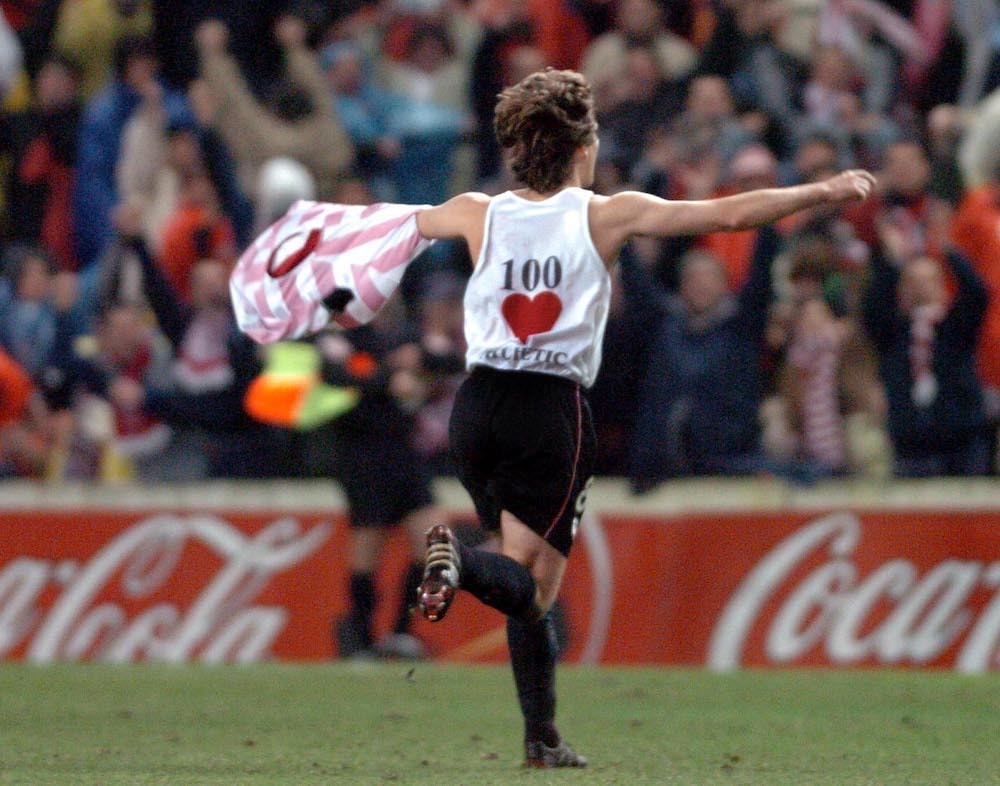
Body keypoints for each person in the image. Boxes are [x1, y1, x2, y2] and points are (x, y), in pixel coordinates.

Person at [411, 68, 875, 768]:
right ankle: (461, 567)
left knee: (522, 573)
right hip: (547, 406)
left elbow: (393, 227)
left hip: (475, 406)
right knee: (532, 586)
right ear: (579, 149)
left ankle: (541, 737)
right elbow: (726, 215)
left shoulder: (478, 211)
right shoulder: (604, 212)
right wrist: (823, 190)